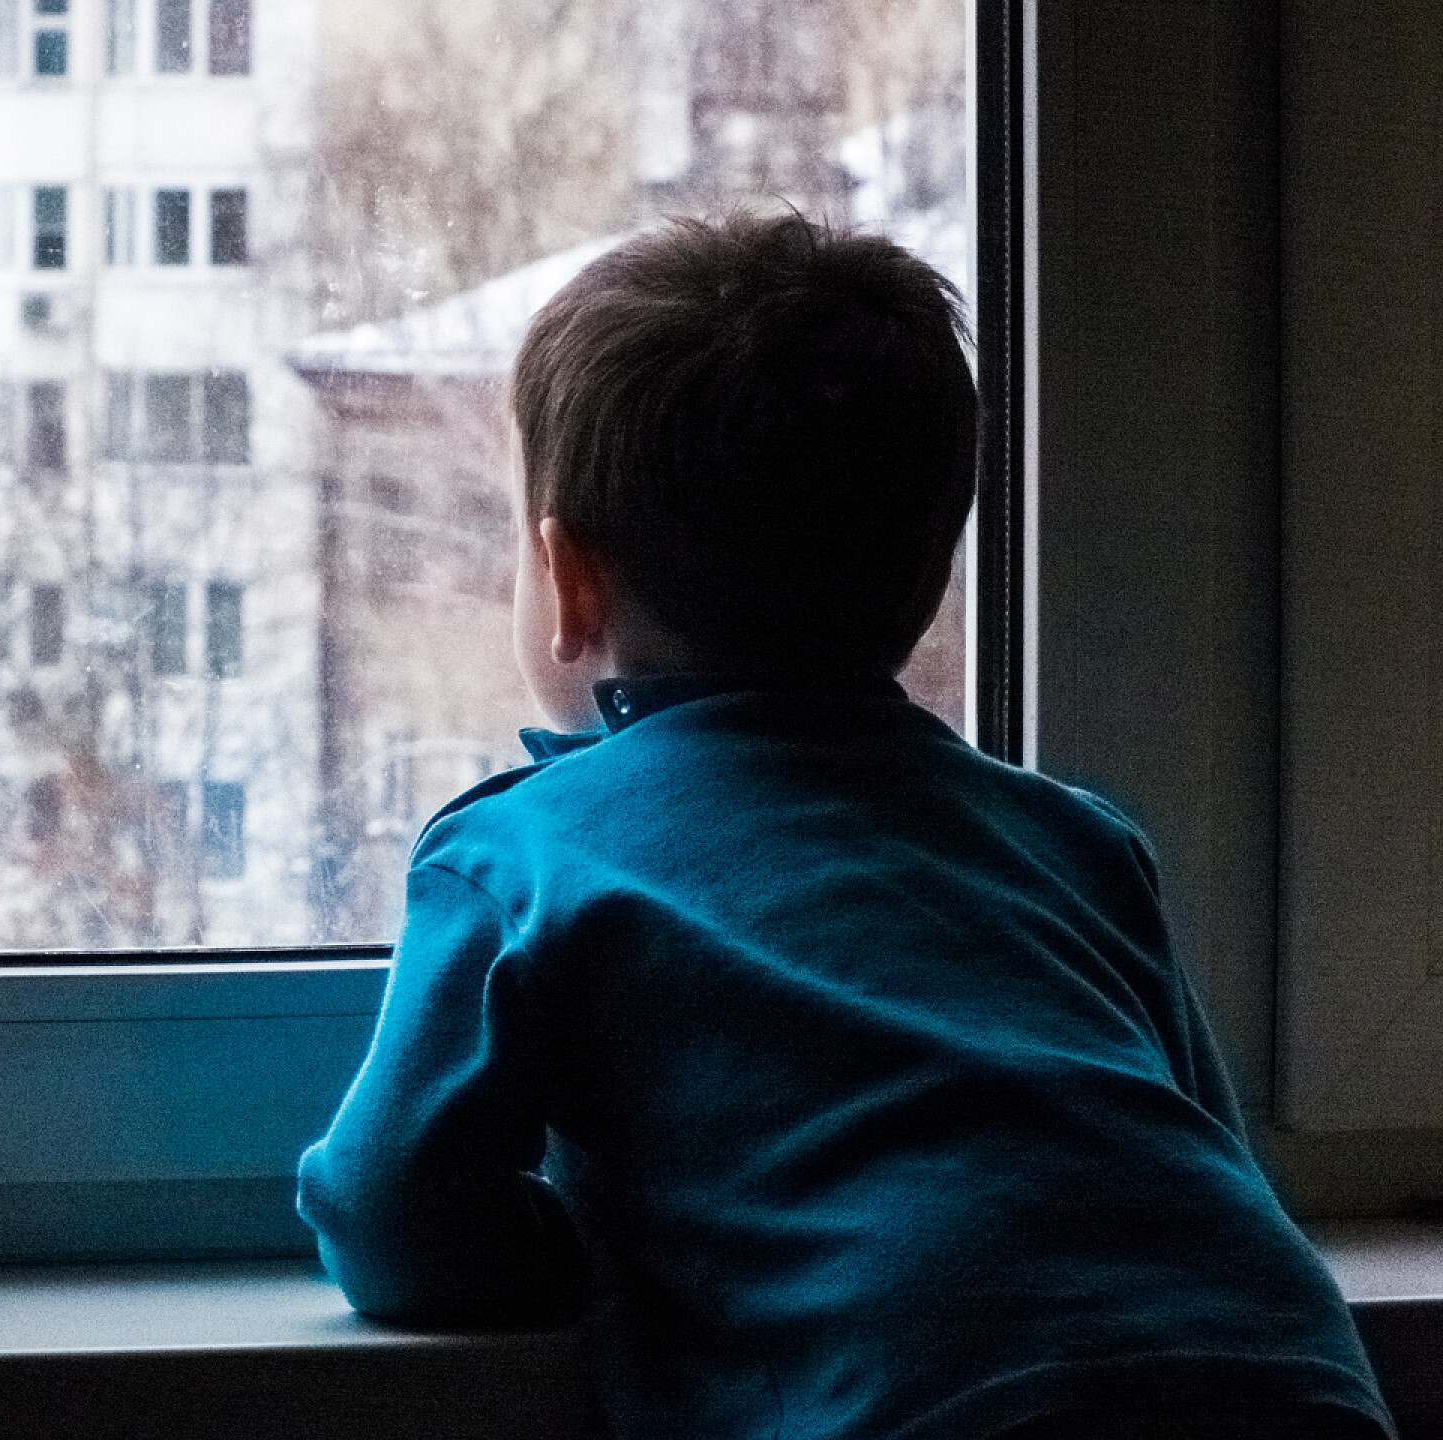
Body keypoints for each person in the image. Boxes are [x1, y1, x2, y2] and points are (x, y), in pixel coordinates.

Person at [295, 213, 1393, 1440]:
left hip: (917, 1403)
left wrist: (594, 1248)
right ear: (926, 581)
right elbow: (1200, 1151)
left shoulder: (530, 856)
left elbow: (387, 1207)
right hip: (1284, 1370)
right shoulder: (1073, 841)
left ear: (570, 578)